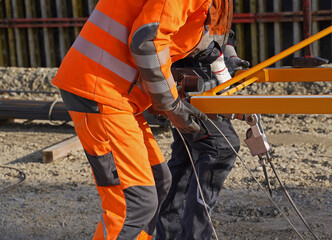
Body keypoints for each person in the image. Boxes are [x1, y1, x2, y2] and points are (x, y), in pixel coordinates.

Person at [52, 1, 214, 239]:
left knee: (157, 182)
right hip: (98, 89)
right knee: (135, 203)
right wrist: (172, 106)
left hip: (115, 93)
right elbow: (146, 41)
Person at [155, 1, 250, 239]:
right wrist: (215, 59)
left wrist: (228, 54)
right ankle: (192, 235)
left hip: (201, 67)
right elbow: (180, 27)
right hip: (190, 67)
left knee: (188, 155)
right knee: (221, 148)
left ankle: (168, 233)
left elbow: (219, 28)